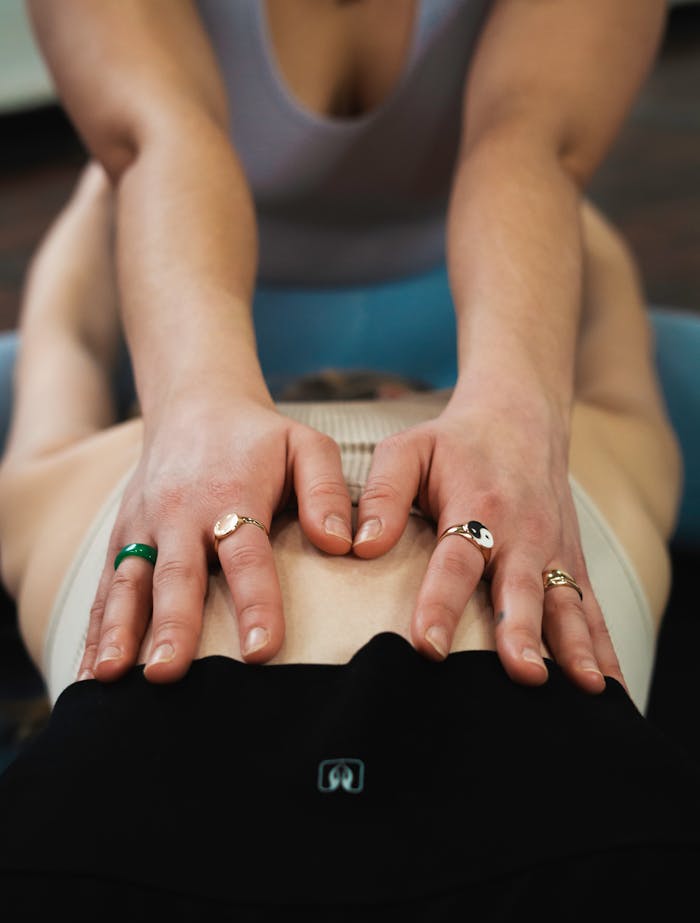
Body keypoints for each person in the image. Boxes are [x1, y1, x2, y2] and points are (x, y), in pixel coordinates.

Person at [0, 154, 699, 923]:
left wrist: (116, 180)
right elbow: (605, 314)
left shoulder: (117, 469)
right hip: (559, 809)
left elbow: (64, 335)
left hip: (117, 824)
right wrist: (533, 167)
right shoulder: (556, 463)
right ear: (408, 393)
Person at [14, 0, 672, 701]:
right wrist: (192, 407)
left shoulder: (55, 482)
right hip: (181, 300)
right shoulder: (615, 445)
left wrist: (517, 411)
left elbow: (538, 142)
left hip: (480, 296)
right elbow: (152, 141)